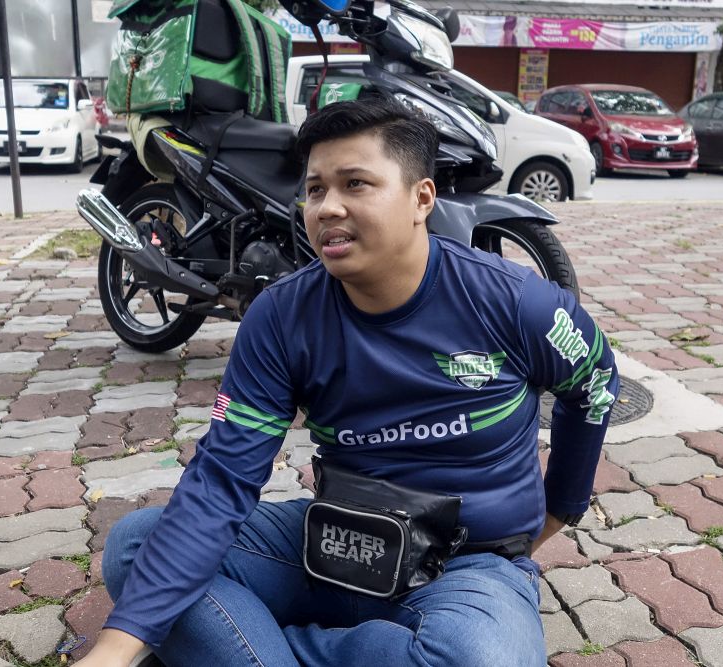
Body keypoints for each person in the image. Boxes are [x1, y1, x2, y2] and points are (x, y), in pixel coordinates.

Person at [78, 97, 619, 667]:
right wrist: (112, 652)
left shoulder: (515, 301)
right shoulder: (280, 317)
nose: (328, 208)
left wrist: (562, 507)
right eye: (315, 190)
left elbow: (597, 383)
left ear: (421, 199)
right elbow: (221, 479)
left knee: (478, 659)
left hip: (468, 561)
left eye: (356, 184)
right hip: (338, 545)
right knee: (136, 547)